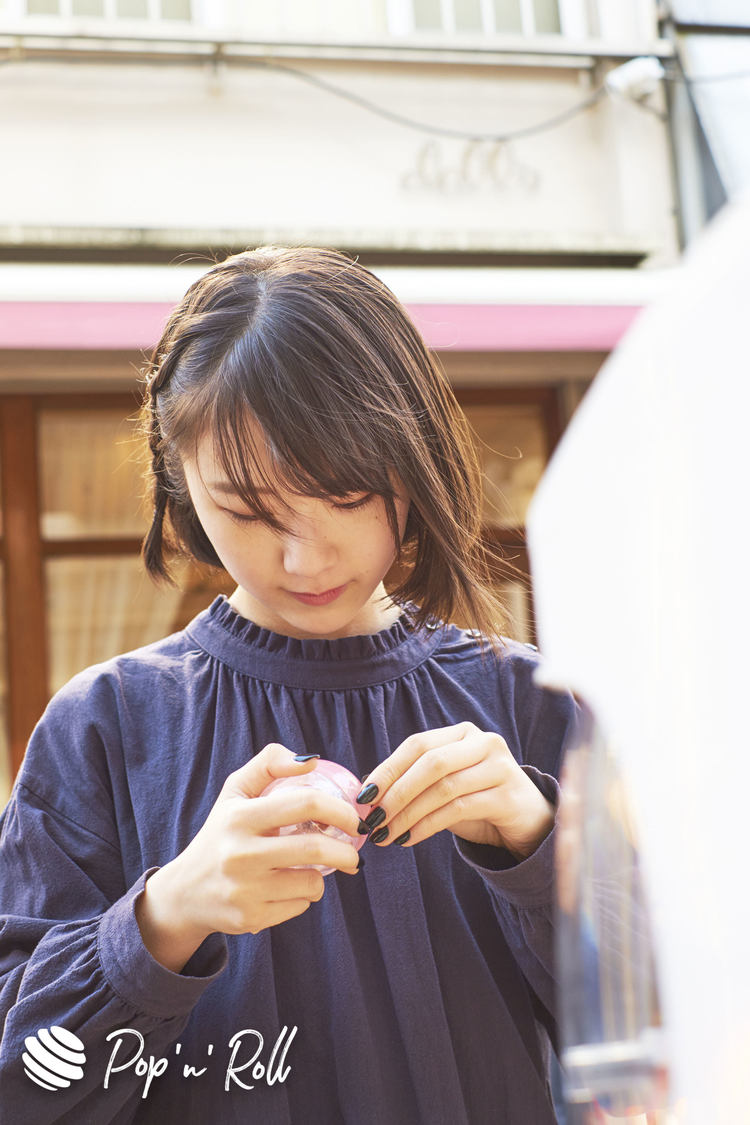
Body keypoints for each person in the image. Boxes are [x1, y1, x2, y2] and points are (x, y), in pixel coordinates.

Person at [0, 246, 579, 1124]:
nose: (305, 558)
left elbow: (672, 1029)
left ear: (413, 460)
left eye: (346, 497)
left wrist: (540, 849)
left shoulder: (530, 701)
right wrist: (161, 920)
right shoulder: (107, 727)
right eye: (248, 509)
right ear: (180, 480)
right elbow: (26, 1086)